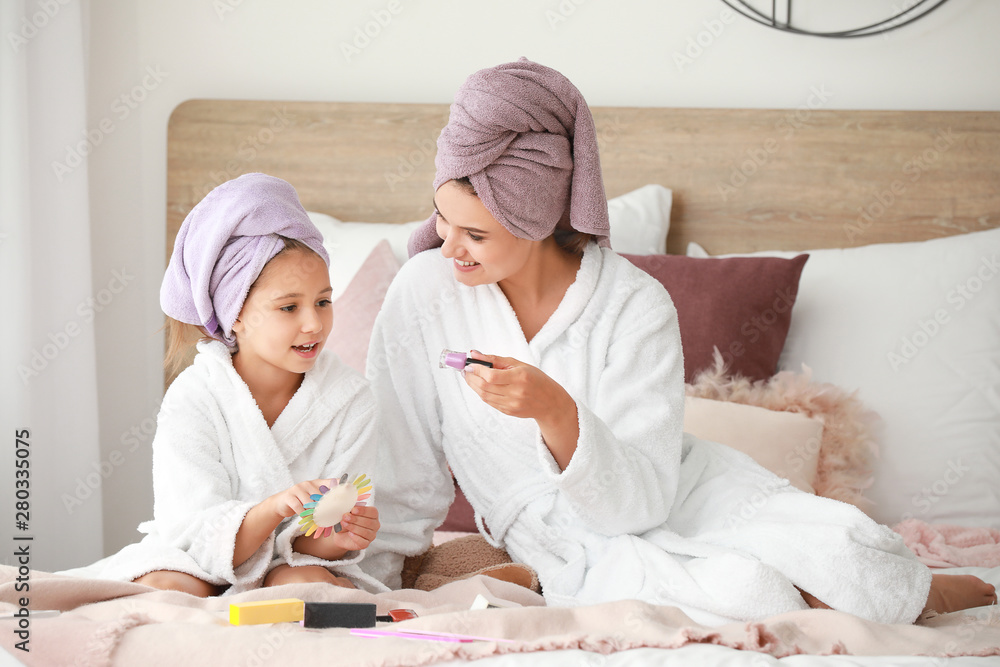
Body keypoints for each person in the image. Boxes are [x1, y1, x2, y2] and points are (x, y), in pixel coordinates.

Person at [361, 59, 996, 625]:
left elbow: (640, 501)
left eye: (473, 232)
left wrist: (556, 412)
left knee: (850, 553)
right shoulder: (426, 291)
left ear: (533, 218)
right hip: (565, 536)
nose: (446, 244)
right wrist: (373, 582)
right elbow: (399, 459)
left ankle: (931, 592)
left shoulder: (633, 304)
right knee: (747, 590)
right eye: (441, 216)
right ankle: (842, 600)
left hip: (677, 488)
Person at [68, 173, 384, 596]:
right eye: (289, 307)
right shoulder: (195, 397)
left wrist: (341, 537)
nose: (314, 324)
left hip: (292, 564)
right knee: (170, 590)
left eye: (323, 302)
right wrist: (272, 509)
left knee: (305, 586)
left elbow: (310, 546)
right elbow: (191, 532)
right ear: (235, 313)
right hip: (198, 561)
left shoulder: (350, 399)